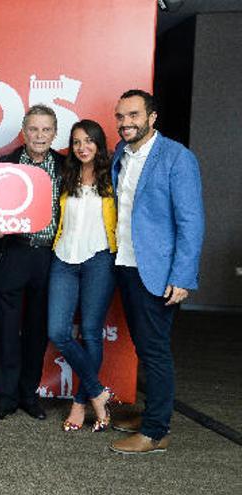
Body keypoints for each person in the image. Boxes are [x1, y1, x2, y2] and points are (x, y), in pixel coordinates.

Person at [109, 90, 204, 454]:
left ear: (152, 118)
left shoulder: (177, 158)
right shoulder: (123, 154)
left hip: (160, 272)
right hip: (128, 266)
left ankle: (156, 431)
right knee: (144, 346)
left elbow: (191, 221)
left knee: (155, 350)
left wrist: (182, 276)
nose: (124, 123)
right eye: (119, 117)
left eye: (133, 115)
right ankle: (153, 413)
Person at [0, 104, 64, 422]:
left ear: (54, 133)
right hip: (12, 253)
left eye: (46, 130)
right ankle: (5, 398)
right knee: (5, 330)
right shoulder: (4, 164)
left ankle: (29, 395)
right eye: (34, 129)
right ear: (24, 130)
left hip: (48, 256)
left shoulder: (65, 166)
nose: (39, 135)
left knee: (37, 330)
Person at [46, 119, 117, 432]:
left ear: (99, 144)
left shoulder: (113, 174)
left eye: (89, 141)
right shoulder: (66, 173)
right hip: (64, 258)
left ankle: (79, 403)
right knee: (58, 331)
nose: (82, 147)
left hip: (99, 259)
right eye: (76, 142)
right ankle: (98, 393)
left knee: (90, 333)